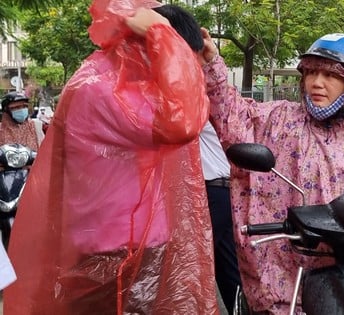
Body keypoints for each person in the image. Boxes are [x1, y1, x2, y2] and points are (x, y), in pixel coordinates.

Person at [4, 2, 219, 314]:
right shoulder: (102, 90)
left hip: (133, 244)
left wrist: (202, 59)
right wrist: (162, 34)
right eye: (178, 57)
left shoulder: (120, 86)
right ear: (150, 46)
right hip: (109, 250)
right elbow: (182, 119)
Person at [197, 31, 344, 314]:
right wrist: (211, 61)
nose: (317, 83)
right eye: (311, 72)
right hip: (285, 270)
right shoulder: (277, 120)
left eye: (330, 75)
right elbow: (230, 114)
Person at [200, 121, 242, 314]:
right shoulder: (219, 116)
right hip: (224, 193)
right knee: (227, 269)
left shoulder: (199, 111)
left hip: (213, 193)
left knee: (192, 263)